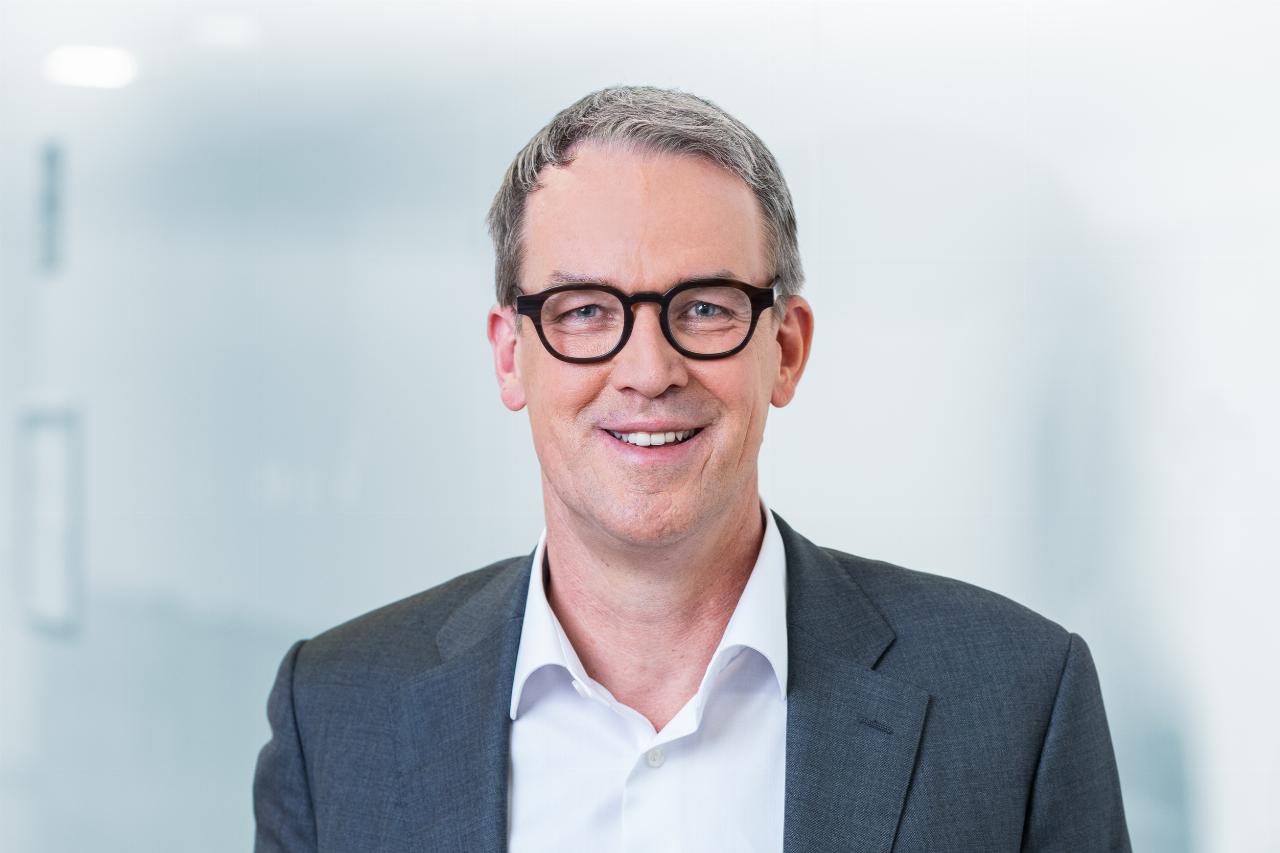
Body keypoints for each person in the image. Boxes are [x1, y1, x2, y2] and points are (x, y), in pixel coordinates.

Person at [253, 86, 1130, 852]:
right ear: (510, 356)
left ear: (786, 349)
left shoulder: (1016, 702)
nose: (648, 370)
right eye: (584, 310)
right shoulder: (335, 714)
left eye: (704, 307)